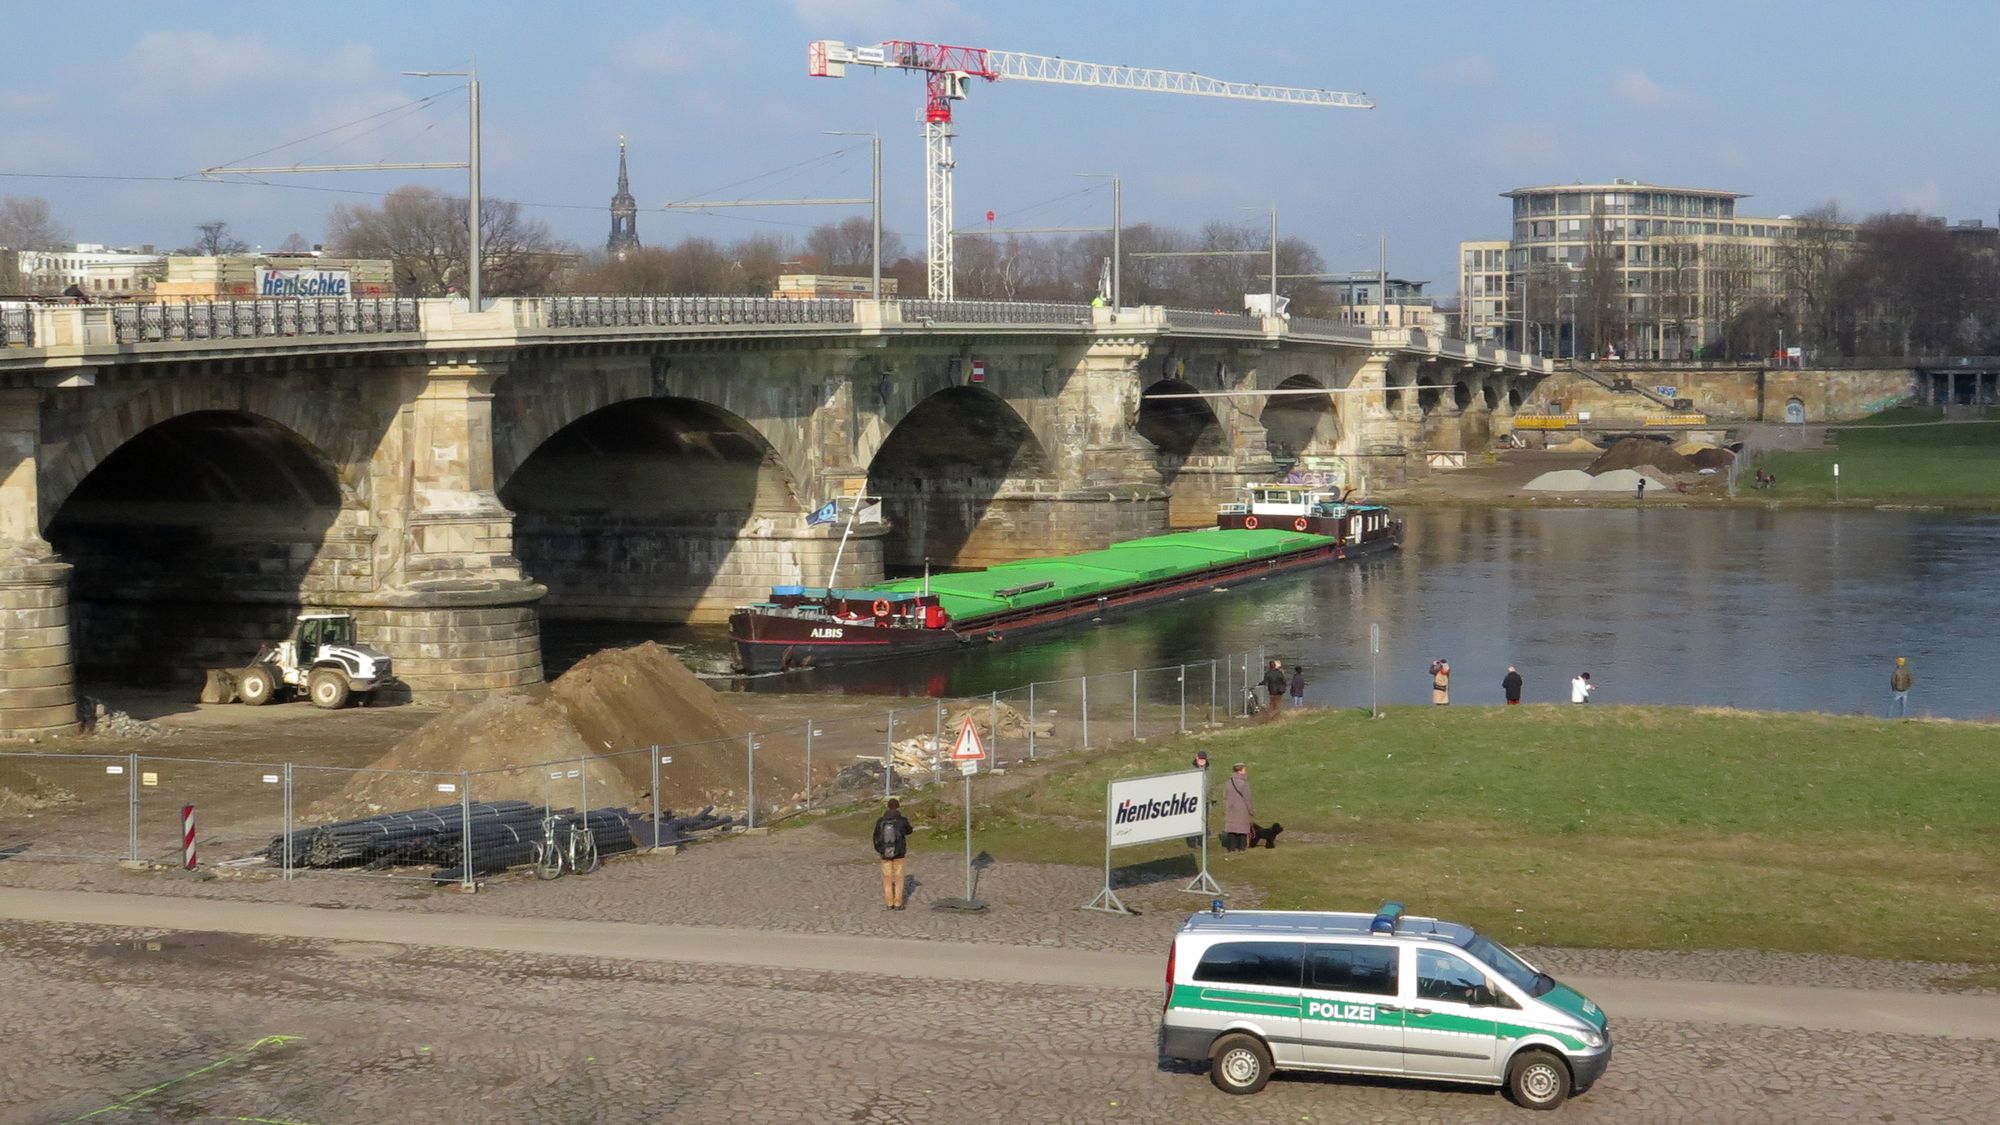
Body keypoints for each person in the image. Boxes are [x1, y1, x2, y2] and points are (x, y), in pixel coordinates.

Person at [872, 798, 913, 910]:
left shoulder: (881, 821)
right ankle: (898, 903)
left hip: (885, 854)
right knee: (899, 878)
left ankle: (889, 903)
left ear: (888, 807)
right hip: (899, 853)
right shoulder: (902, 820)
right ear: (898, 807)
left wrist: (880, 850)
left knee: (887, 878)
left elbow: (875, 837)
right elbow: (909, 831)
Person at [1222, 763, 1253, 853]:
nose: (1245, 771)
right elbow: (1248, 798)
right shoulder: (1244, 783)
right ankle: (1241, 847)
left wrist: (1227, 807)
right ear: (1240, 770)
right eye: (1244, 769)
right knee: (1242, 829)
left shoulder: (1228, 782)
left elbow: (1225, 797)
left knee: (1232, 829)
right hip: (1242, 809)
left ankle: (1231, 848)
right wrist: (1251, 810)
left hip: (1231, 809)